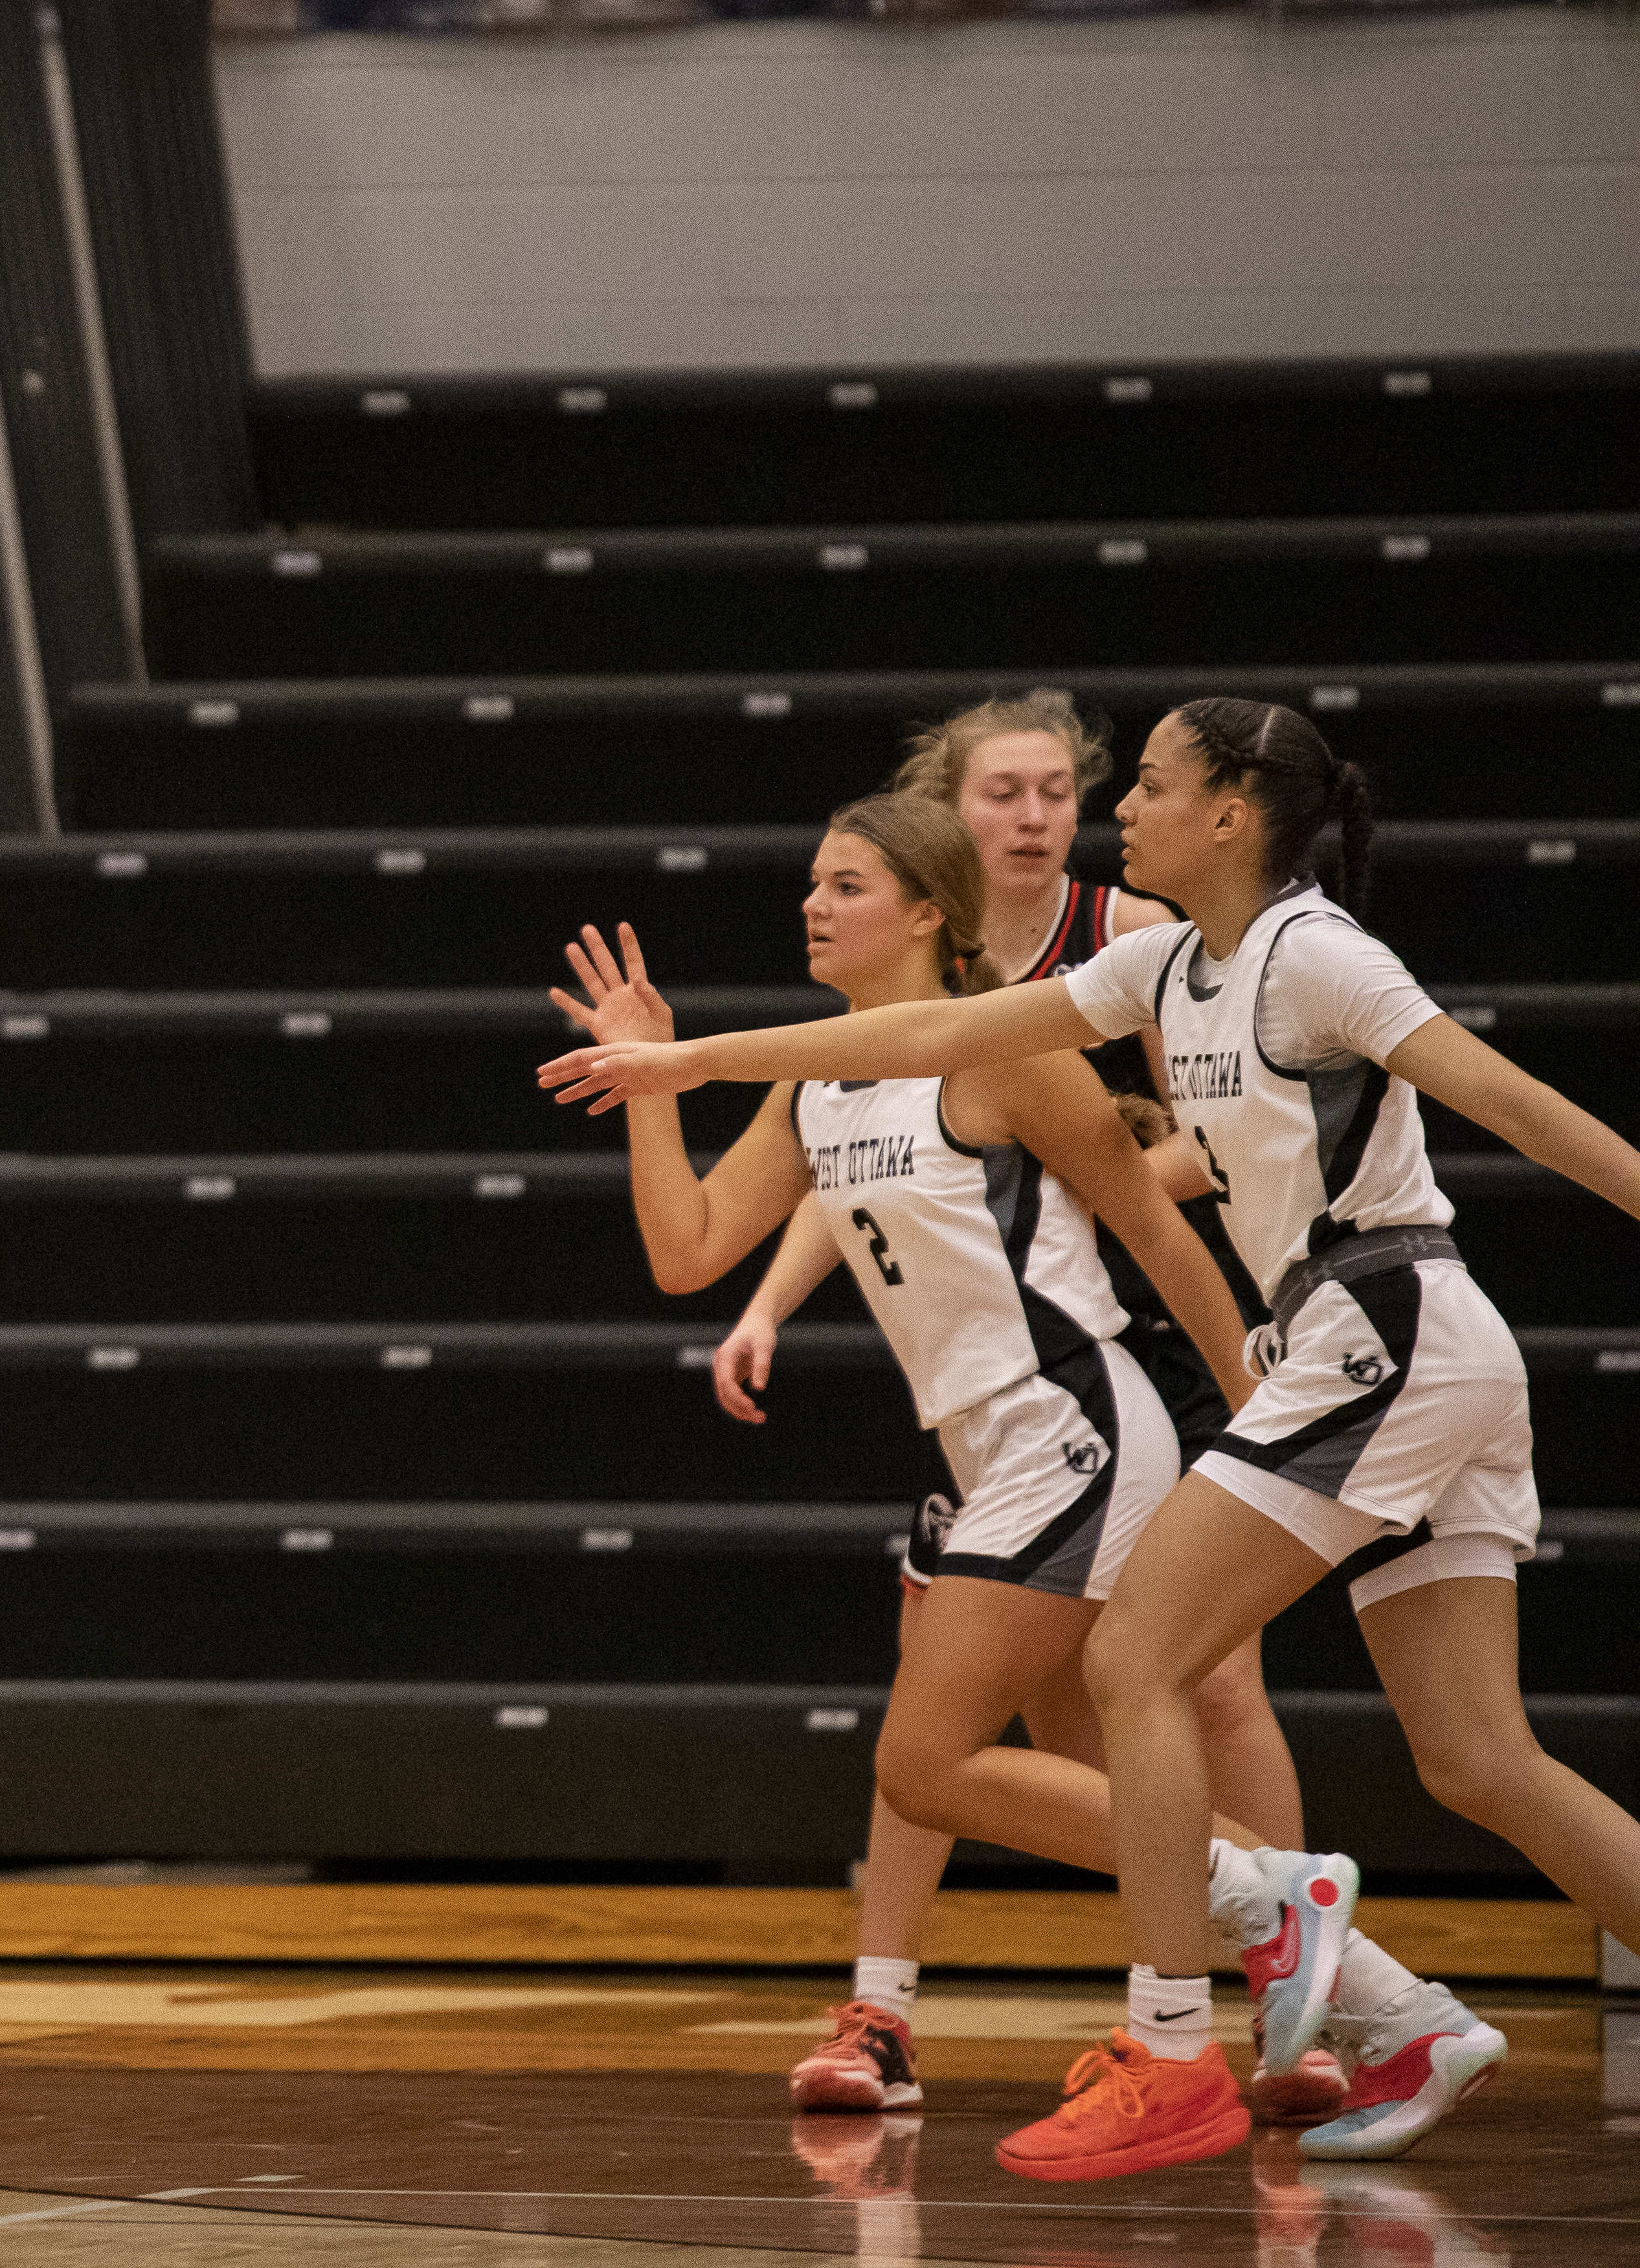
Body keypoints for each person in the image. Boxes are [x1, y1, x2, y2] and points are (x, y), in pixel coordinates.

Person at [543, 698, 1640, 2175]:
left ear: (1234, 813)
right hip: (1375, 1348)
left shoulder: (1315, 953)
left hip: (1357, 1332)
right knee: (1479, 1760)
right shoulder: (1163, 967)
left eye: (1152, 784)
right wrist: (683, 1070)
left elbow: (1513, 1105)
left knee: (1124, 1673)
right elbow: (914, 1040)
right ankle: (1385, 2010)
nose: (1122, 806)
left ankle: (1181, 2043)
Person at [713, 700, 1320, 2124]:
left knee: (1198, 1685)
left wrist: (1098, 1171)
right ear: (949, 816)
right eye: (1005, 793)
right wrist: (770, 1301)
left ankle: (1296, 2009)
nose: (1035, 815)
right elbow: (854, 1155)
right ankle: (889, 2002)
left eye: (1058, 790)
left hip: (1121, 1338)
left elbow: (1196, 1139)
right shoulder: (900, 968)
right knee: (968, 1692)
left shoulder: (1120, 935)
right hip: (986, 1331)